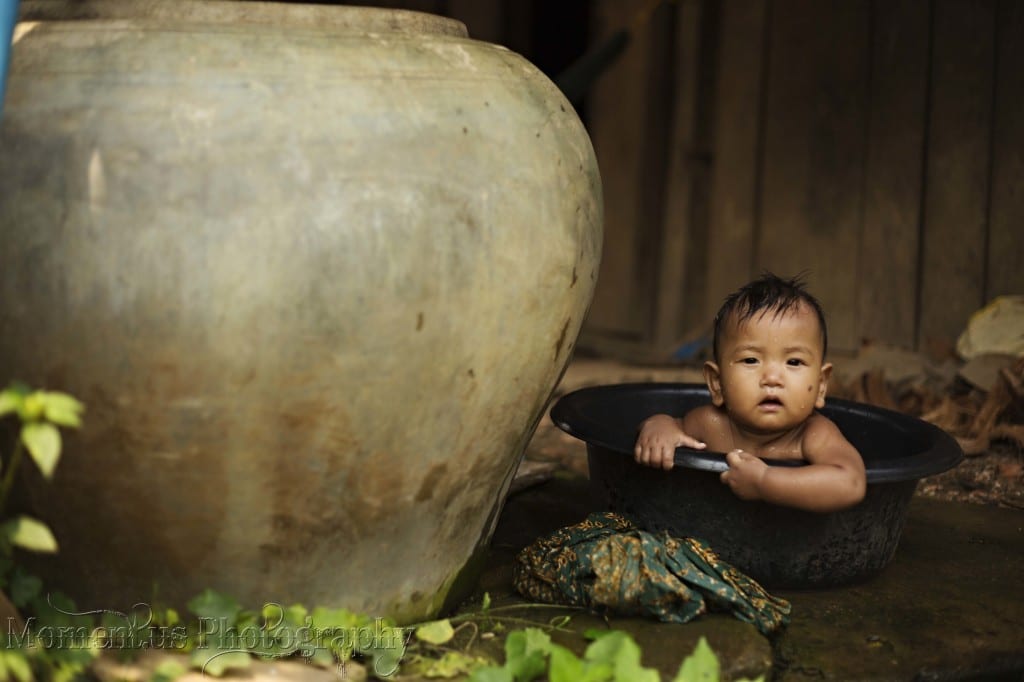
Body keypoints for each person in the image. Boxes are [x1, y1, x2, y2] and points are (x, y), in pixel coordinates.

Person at [634, 273, 866, 512]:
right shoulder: (710, 424)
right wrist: (657, 427)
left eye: (794, 362)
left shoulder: (814, 435)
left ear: (821, 386)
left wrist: (764, 483)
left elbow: (851, 483)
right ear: (717, 383)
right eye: (751, 360)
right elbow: (670, 425)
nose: (772, 379)